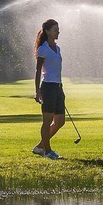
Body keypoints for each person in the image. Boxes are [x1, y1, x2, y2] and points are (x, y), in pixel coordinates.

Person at [33, 18, 65, 160]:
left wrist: (59, 88)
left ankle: (40, 146)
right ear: (47, 31)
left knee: (60, 121)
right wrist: (37, 91)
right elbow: (38, 71)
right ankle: (47, 150)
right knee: (47, 121)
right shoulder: (43, 49)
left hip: (58, 87)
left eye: (58, 29)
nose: (58, 32)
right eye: (55, 30)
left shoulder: (57, 48)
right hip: (48, 87)